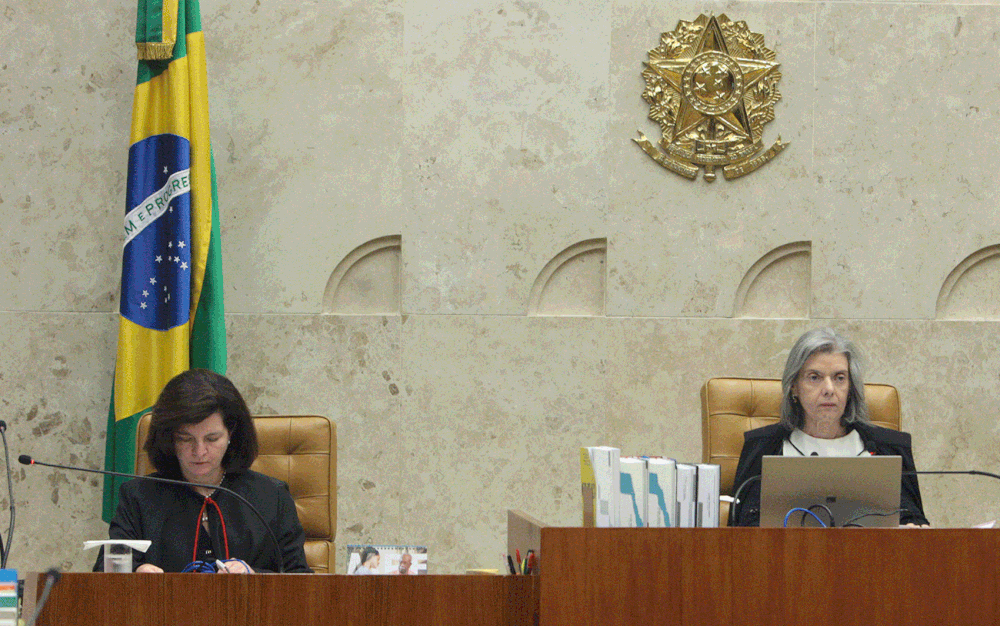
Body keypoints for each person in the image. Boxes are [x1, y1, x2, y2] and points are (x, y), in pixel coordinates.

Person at [95, 369, 311, 573]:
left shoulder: (271, 496)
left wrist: (254, 576)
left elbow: (300, 579)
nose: (199, 451)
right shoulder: (138, 497)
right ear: (169, 438)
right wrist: (135, 573)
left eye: (212, 438)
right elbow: (105, 571)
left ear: (231, 434)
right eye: (185, 439)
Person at [731, 328, 929, 527]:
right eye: (814, 377)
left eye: (839, 378)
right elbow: (741, 528)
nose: (829, 389)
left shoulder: (890, 448)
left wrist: (912, 528)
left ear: (851, 388)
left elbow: (913, 520)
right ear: (794, 387)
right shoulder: (763, 447)